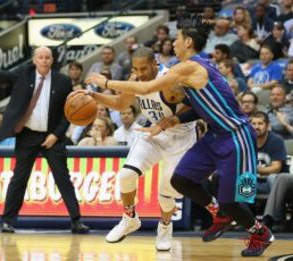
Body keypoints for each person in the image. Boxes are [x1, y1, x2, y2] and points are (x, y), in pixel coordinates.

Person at [85, 15, 274, 257]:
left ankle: (260, 233)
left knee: (237, 198)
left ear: (188, 42)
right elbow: (195, 105)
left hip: (236, 136)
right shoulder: (182, 68)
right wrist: (172, 119)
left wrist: (106, 81)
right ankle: (220, 213)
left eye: (178, 38)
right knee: (180, 181)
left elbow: (145, 88)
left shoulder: (190, 67)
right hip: (214, 135)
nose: (173, 42)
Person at [0, 46, 89, 234]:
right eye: (40, 57)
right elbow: (1, 76)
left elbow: (68, 113)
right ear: (34, 60)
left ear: (52, 60)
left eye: (47, 57)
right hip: (28, 134)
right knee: (19, 178)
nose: (44, 60)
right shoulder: (23, 74)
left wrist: (55, 135)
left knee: (63, 178)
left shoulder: (63, 81)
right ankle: (6, 221)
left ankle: (76, 220)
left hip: (52, 135)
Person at [75, 46, 196, 251]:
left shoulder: (170, 81)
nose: (139, 74)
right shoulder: (135, 79)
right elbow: (121, 104)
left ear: (154, 64)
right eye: (136, 69)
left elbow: (194, 107)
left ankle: (165, 226)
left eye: (144, 69)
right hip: (151, 133)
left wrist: (169, 122)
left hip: (180, 138)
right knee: (125, 176)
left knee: (166, 194)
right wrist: (93, 97)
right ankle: (130, 218)